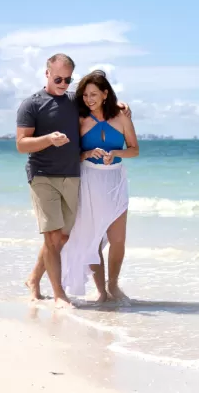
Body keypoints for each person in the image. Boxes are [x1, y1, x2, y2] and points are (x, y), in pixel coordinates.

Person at [16, 54, 130, 308]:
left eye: (68, 79)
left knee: (65, 237)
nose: (64, 83)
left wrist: (118, 103)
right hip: (43, 174)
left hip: (73, 175)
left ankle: (34, 277)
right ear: (46, 73)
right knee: (53, 236)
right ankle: (58, 295)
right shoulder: (31, 104)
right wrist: (48, 139)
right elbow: (21, 144)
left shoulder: (73, 101)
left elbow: (98, 102)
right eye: (58, 78)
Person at [61, 70, 139, 304]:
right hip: (89, 181)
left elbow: (134, 149)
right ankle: (101, 291)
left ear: (106, 94)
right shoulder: (80, 119)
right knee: (93, 237)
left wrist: (116, 152)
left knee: (118, 240)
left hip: (115, 180)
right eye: (85, 95)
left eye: (94, 94)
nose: (89, 99)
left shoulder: (122, 117)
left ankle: (113, 284)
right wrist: (86, 153)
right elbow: (69, 153)